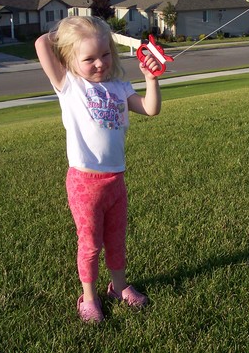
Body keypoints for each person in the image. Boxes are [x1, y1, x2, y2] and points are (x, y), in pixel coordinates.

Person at [35, 16, 163, 323]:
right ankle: (89, 298)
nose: (99, 63)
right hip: (84, 182)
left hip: (115, 180)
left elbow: (151, 109)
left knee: (116, 239)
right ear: (70, 58)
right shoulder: (69, 86)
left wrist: (151, 78)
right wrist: (71, 33)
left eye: (105, 55)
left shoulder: (120, 88)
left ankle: (119, 287)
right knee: (90, 244)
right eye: (88, 58)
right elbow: (42, 44)